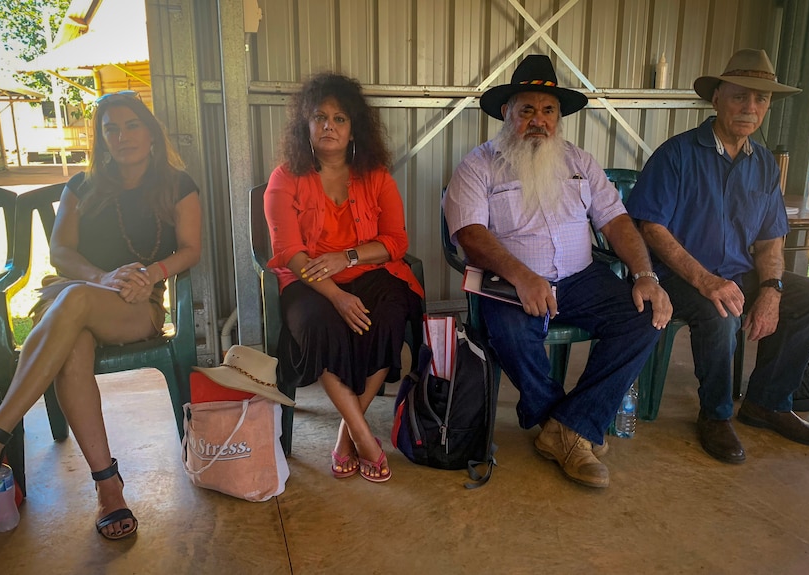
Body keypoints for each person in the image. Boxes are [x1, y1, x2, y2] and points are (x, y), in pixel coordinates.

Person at [0, 91, 202, 539]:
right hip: (78, 294)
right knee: (73, 335)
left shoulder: (178, 184)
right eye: (110, 128)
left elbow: (191, 249)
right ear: (101, 139)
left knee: (72, 301)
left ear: (150, 133)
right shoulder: (81, 185)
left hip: (136, 302)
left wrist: (150, 274)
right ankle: (108, 487)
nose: (121, 135)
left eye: (131, 124)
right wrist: (101, 277)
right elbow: (60, 252)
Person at [444, 54, 672, 488]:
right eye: (527, 109)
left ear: (559, 117)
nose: (538, 120)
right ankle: (571, 428)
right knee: (509, 334)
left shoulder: (580, 163)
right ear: (506, 113)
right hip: (511, 281)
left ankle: (566, 429)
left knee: (645, 316)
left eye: (548, 110)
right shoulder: (479, 165)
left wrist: (646, 275)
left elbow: (617, 222)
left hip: (581, 278)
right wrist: (522, 276)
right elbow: (470, 234)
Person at [627, 49, 809, 464]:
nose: (750, 108)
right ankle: (716, 414)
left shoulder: (764, 167)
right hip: (679, 279)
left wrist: (773, 289)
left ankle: (768, 403)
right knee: (719, 309)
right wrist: (705, 279)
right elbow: (651, 227)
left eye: (760, 100)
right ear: (717, 98)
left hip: (738, 273)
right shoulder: (678, 154)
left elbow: (771, 238)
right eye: (740, 96)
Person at [264, 72, 423, 484]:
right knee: (321, 325)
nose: (329, 126)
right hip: (308, 282)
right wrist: (336, 294)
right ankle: (366, 439)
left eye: (339, 118)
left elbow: (396, 242)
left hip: (370, 271)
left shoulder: (377, 177)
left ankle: (348, 432)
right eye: (319, 117)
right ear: (305, 125)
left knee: (388, 314)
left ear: (355, 127)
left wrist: (347, 256)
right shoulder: (284, 178)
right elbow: (288, 252)